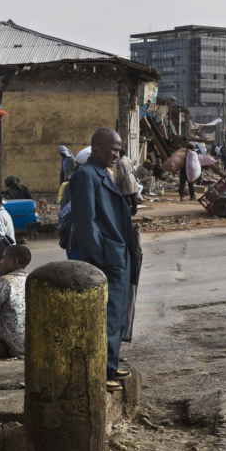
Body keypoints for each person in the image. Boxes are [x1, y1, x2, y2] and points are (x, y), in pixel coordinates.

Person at [70, 127, 140, 392]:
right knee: (108, 317)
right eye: (113, 148)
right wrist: (99, 259)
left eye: (119, 149)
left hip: (118, 256)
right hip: (108, 259)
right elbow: (86, 224)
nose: (117, 153)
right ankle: (103, 372)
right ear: (97, 145)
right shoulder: (85, 176)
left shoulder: (102, 174)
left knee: (118, 315)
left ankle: (110, 365)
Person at [0, 245, 31, 358]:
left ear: (14, 261)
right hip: (33, 344)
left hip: (15, 346)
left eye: (3, 258)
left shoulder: (3, 281)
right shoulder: (31, 279)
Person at [115, 148, 139, 215]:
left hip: (126, 179)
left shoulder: (120, 161)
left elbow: (121, 173)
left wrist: (120, 181)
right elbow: (134, 169)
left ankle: (127, 211)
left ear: (120, 153)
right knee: (133, 196)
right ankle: (134, 211)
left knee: (126, 197)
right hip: (132, 177)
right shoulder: (129, 159)